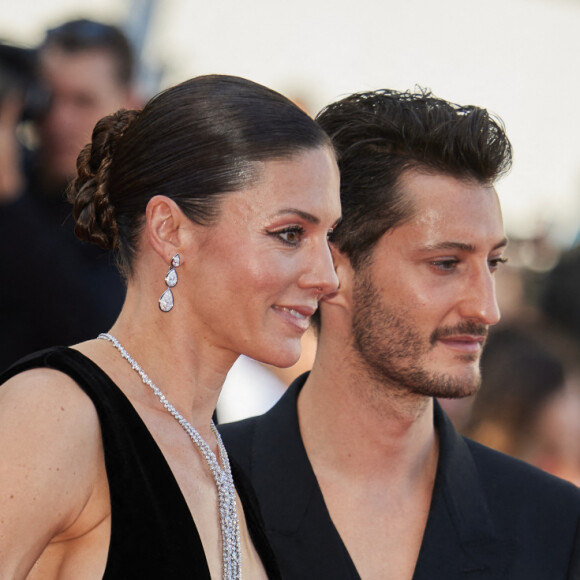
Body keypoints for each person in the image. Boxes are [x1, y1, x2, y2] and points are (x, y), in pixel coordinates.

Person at [220, 88, 580, 579]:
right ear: (335, 270)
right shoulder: (199, 489)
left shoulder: (554, 525)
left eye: (492, 263)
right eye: (446, 264)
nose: (487, 308)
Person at [0, 74, 341, 579]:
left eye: (328, 236)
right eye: (291, 234)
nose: (327, 277)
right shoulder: (54, 414)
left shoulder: (222, 461)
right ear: (169, 229)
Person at [0, 18, 140, 371]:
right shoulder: (17, 170)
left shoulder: (141, 210)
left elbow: (97, 333)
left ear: (129, 106)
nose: (59, 120)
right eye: (50, 98)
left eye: (82, 101)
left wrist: (12, 200)